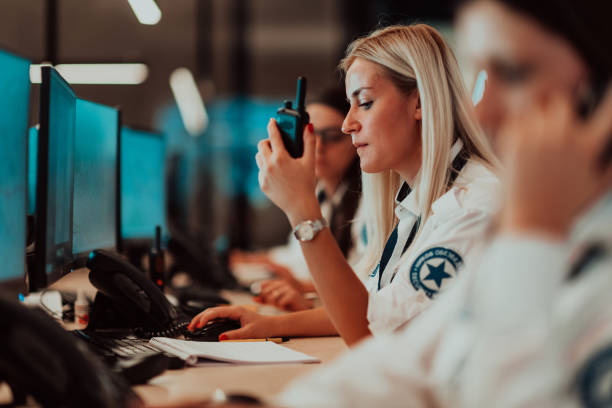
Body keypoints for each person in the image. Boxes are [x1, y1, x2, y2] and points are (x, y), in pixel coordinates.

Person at [267, 0, 612, 407]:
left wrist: (304, 213)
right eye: (483, 76)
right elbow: (405, 362)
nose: (482, 111)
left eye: (515, 74)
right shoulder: (507, 223)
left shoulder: (488, 209)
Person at [189, 23, 500, 345]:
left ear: (419, 103)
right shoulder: (418, 202)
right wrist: (269, 325)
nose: (348, 124)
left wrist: (302, 210)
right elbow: (377, 313)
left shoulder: (472, 207)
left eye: (364, 102)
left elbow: (367, 336)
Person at [232, 85, 364, 312]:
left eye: (332, 137)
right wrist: (261, 260)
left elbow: (365, 288)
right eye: (310, 136)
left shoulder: (368, 204)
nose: (318, 148)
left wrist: (304, 290)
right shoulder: (322, 196)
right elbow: (296, 255)